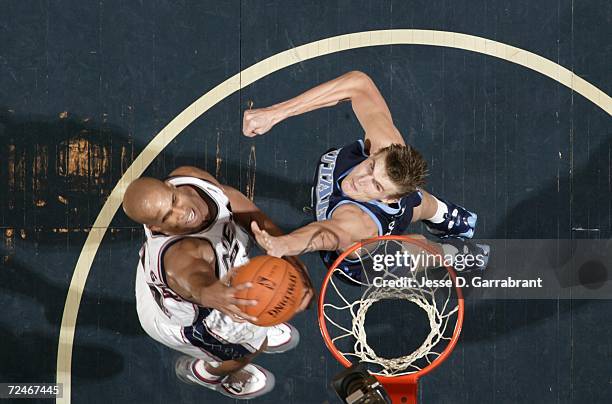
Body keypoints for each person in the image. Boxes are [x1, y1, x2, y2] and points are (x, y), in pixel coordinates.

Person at [242, 71, 487, 281]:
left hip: (362, 263)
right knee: (416, 201)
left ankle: (457, 253)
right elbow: (358, 83)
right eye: (370, 168)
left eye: (376, 186)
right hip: (394, 204)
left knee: (413, 248)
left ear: (388, 199)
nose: (361, 180)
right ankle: (443, 215)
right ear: (377, 153)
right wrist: (275, 113)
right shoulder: (385, 143)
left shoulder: (356, 221)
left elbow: (325, 235)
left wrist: (285, 244)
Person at [123, 165, 313, 399]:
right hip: (191, 322)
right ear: (156, 227)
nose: (181, 212)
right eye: (167, 216)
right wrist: (210, 293)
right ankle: (207, 373)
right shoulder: (181, 255)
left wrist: (290, 256)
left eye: (174, 200)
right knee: (247, 351)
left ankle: (258, 322)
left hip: (167, 284)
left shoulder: (190, 176)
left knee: (253, 319)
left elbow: (238, 205)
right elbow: (194, 279)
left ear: (172, 185)